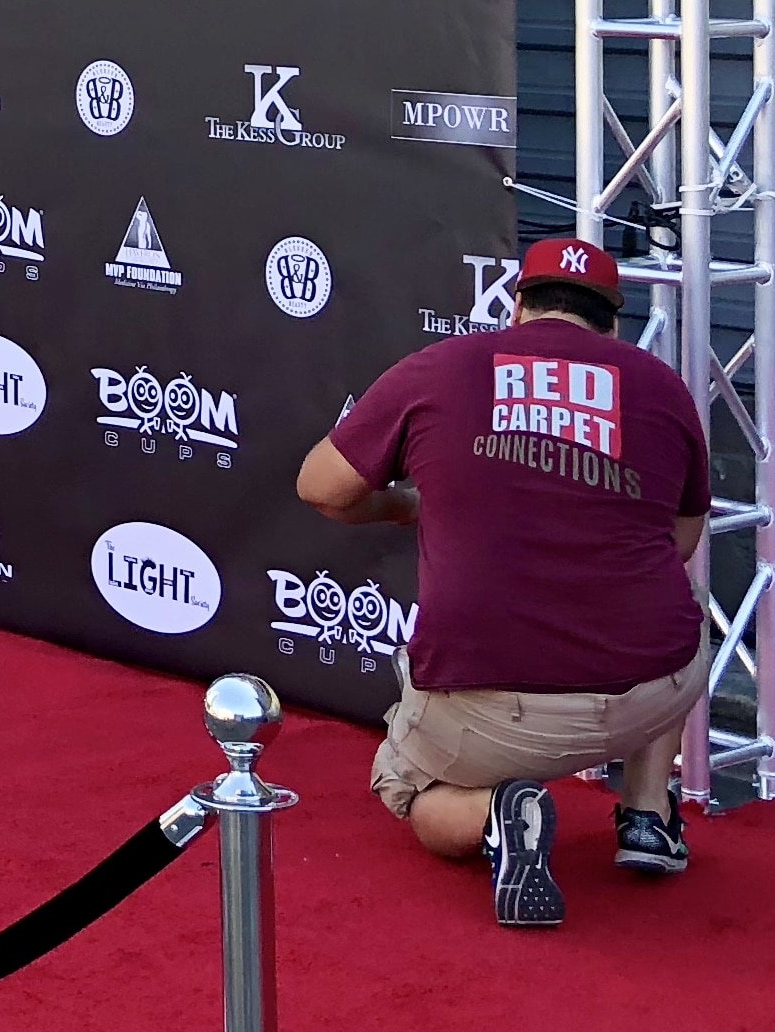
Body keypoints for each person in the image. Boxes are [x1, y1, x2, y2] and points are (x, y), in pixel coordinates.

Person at [294, 236, 710, 927]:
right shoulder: (661, 387)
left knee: (407, 787)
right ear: (612, 321)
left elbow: (320, 488)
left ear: (516, 306)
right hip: (650, 688)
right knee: (674, 596)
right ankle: (647, 815)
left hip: (492, 711)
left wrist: (402, 505)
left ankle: (496, 814)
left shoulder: (442, 366)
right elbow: (682, 541)